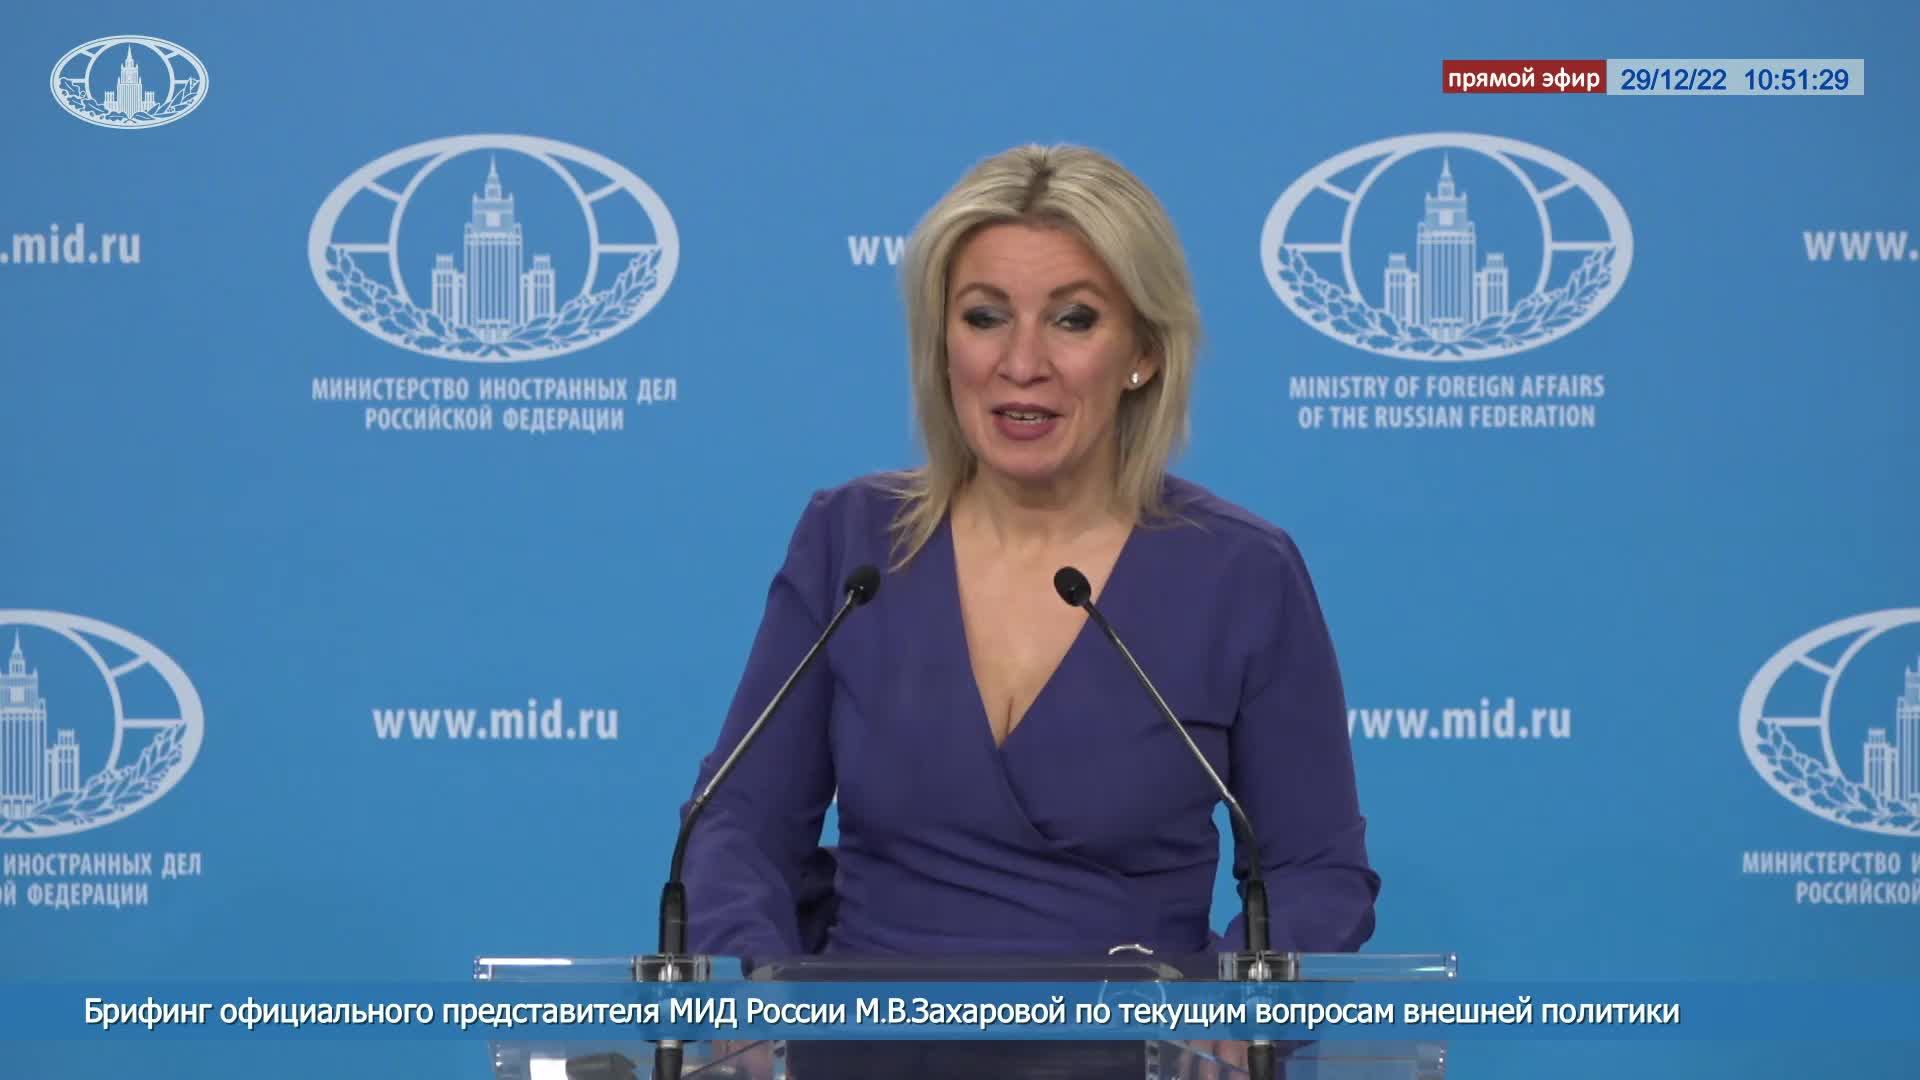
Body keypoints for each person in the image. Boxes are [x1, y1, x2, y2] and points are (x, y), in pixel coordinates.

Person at [679, 143, 1378, 968]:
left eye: (1073, 319)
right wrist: (750, 994)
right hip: (870, 1031)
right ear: (942, 344)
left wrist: (1220, 1016)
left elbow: (1314, 874)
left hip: (1139, 1034)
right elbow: (739, 828)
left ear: (1144, 352)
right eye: (985, 318)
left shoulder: (1242, 574)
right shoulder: (852, 543)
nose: (1021, 364)